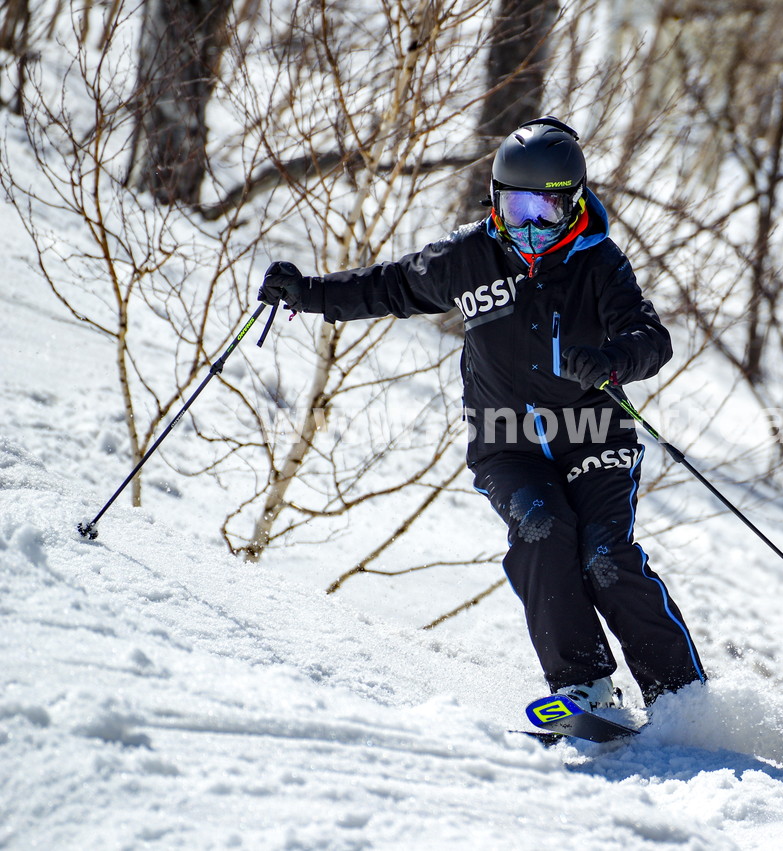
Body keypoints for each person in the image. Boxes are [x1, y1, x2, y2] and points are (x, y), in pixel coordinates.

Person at [258, 116, 705, 710]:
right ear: (495, 200)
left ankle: (681, 699)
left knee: (604, 556)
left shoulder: (598, 263)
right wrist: (309, 293)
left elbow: (651, 338)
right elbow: (391, 285)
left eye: (545, 211)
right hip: (508, 442)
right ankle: (584, 687)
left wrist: (609, 360)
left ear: (573, 206)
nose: (530, 227)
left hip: (595, 436)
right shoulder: (470, 255)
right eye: (515, 208)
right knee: (542, 532)